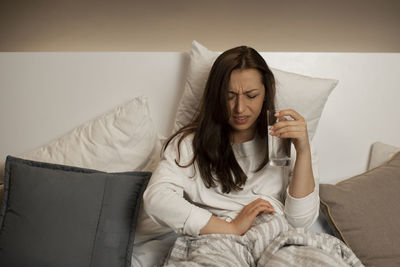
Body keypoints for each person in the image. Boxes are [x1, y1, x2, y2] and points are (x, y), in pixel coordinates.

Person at [143, 45, 319, 237]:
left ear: (266, 94)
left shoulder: (289, 142)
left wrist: (303, 151)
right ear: (216, 97)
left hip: (276, 236)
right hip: (218, 237)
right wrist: (231, 228)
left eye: (251, 96)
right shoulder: (188, 145)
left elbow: (300, 223)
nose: (240, 108)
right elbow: (156, 199)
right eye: (229, 96)